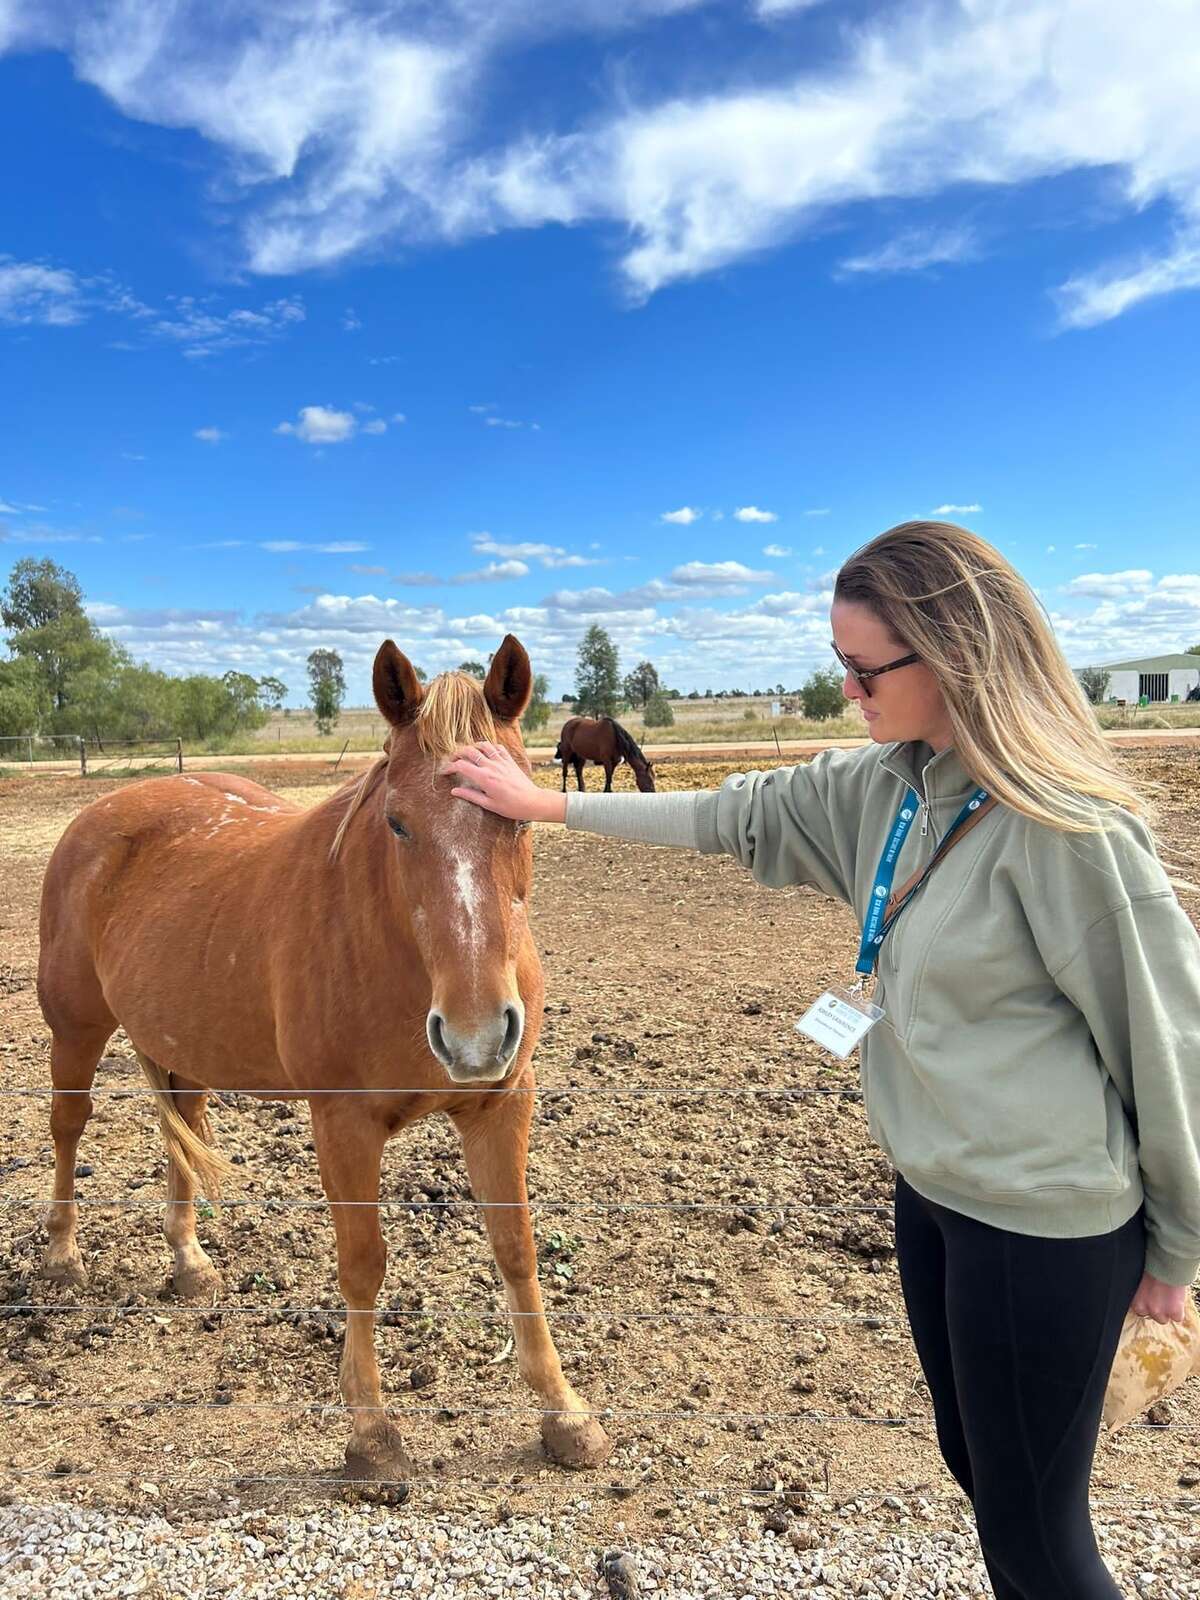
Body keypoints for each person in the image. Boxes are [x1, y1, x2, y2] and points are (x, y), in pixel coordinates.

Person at [447, 521, 1200, 1600]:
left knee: (1039, 1533)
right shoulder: (887, 785)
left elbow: (1169, 1041)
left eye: (862, 668)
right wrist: (544, 807)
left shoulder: (1069, 830)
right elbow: (730, 813)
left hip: (1048, 1222)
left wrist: (1177, 1249)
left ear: (954, 653)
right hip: (934, 1199)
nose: (845, 690)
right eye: (838, 665)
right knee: (981, 1476)